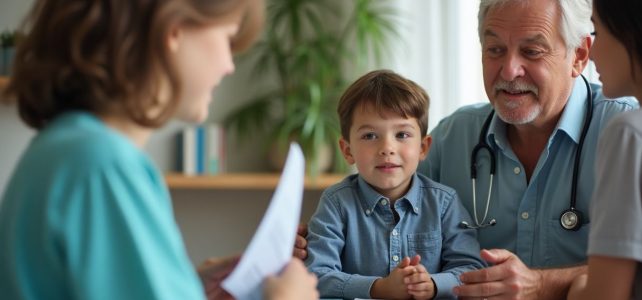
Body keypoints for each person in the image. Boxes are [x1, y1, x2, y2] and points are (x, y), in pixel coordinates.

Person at [295, 0, 639, 298]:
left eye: (531, 51)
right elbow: (385, 215)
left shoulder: (627, 131)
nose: (509, 70)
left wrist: (543, 284)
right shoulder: (454, 135)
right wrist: (313, 242)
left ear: (579, 55)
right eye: (495, 50)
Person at [0, 0, 318, 300]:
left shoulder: (65, 149)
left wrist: (186, 282)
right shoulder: (103, 167)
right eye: (227, 38)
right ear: (174, 28)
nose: (228, 66)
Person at [304, 70, 486, 299]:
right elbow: (315, 276)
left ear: (423, 147)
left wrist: (433, 284)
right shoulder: (336, 203)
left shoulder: (444, 203)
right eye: (370, 136)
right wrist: (378, 288)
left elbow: (471, 269)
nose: (387, 148)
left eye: (401, 134)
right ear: (347, 150)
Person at [566, 0, 642, 299]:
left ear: (630, 32)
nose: (591, 51)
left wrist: (576, 289)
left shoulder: (629, 134)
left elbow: (605, 295)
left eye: (598, 31)